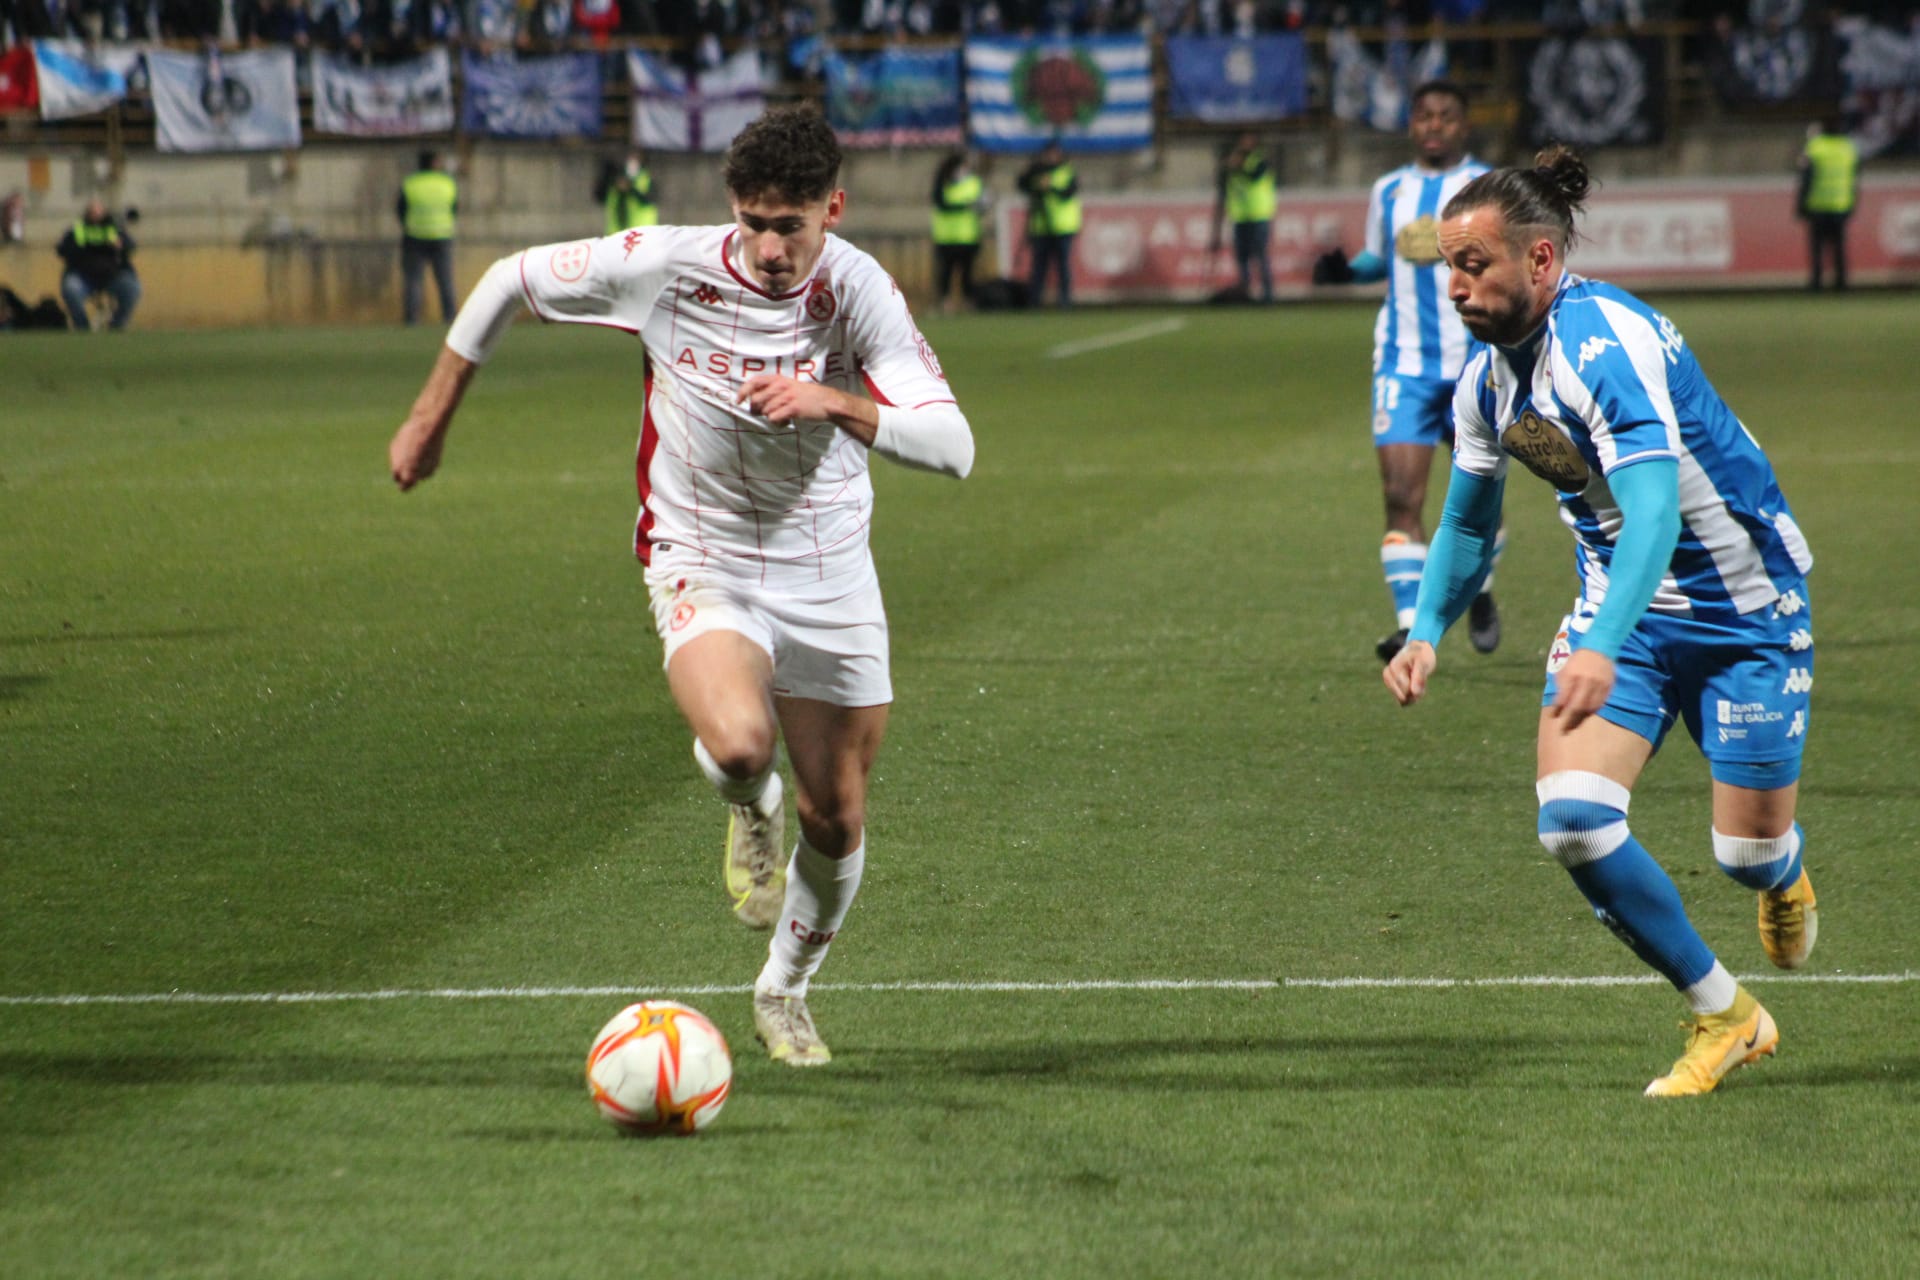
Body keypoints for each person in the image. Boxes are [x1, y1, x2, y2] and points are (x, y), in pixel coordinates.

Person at [387, 105, 975, 1068]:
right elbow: (505, 282)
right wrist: (431, 419)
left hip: (827, 568)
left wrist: (835, 399)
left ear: (834, 208)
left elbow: (955, 448)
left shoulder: (860, 291)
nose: (772, 247)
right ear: (730, 209)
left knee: (839, 816)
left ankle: (783, 992)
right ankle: (749, 801)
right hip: (701, 547)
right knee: (742, 745)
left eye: (793, 224)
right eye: (753, 221)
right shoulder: (665, 265)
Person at [1384, 145, 1819, 1099]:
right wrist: (1423, 631)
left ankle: (1780, 871)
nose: (1455, 285)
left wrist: (1599, 644)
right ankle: (1727, 1015)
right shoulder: (1489, 382)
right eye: (1448, 266)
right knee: (1575, 823)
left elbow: (1657, 516)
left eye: (1473, 264)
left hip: (1745, 608)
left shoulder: (1602, 345)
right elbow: (1464, 519)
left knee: (1741, 855)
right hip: (1621, 610)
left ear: (1539, 262)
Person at [1312, 81, 1502, 663]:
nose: (1435, 125)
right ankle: (1408, 627)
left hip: (1476, 364)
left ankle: (1481, 589)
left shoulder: (1488, 187)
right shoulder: (1389, 190)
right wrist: (1345, 272)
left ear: (1463, 125)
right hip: (1404, 364)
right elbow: (1379, 257)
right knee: (1400, 497)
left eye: (1446, 115)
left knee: (1475, 501)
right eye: (1424, 116)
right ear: (1412, 125)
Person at [56, 199, 141, 332]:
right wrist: (78, 248)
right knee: (70, 288)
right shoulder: (78, 229)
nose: (95, 215)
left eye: (98, 211)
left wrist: (120, 245)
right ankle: (82, 327)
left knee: (132, 288)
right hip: (83, 276)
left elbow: (131, 246)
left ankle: (117, 325)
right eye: (91, 212)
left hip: (113, 276)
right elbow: (62, 249)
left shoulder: (114, 229)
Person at [397, 149, 458, 326]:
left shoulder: (410, 183)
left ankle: (411, 319)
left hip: (414, 235)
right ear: (434, 163)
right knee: (445, 280)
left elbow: (401, 209)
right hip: (442, 235)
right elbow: (454, 208)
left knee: (414, 281)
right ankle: (450, 317)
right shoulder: (447, 182)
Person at [1797, 114, 1858, 292]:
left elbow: (1806, 178)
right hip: (1840, 204)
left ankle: (1816, 283)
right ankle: (1841, 283)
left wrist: (1801, 204)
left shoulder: (1815, 147)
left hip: (1818, 205)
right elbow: (1854, 178)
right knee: (1839, 247)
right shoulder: (1848, 148)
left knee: (1817, 248)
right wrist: (1853, 203)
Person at [1018, 139, 1079, 308]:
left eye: (1055, 153)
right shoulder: (1036, 172)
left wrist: (1050, 186)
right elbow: (1023, 186)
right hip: (1041, 227)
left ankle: (1065, 301)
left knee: (1063, 267)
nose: (1051, 157)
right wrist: (1027, 172)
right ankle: (1034, 301)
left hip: (1063, 227)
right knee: (1038, 268)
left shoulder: (1066, 171)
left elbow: (1068, 192)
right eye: (1049, 153)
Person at [1221, 132, 1275, 303]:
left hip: (1259, 215)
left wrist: (1238, 165)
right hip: (1241, 217)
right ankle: (1245, 292)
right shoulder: (1233, 162)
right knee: (1242, 256)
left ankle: (1267, 294)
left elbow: (1255, 177)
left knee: (1260, 255)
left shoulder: (1258, 161)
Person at [929, 150, 984, 314]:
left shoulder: (973, 182)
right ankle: (945, 303)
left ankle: (968, 302)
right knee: (945, 273)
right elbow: (941, 203)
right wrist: (964, 206)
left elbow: (982, 205)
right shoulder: (942, 183)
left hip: (968, 236)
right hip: (946, 237)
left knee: (967, 273)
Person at [602, 148, 659, 235]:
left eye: (636, 158)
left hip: (641, 234)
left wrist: (631, 189)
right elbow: (600, 196)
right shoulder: (616, 180)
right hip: (616, 234)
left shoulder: (647, 180)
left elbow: (648, 200)